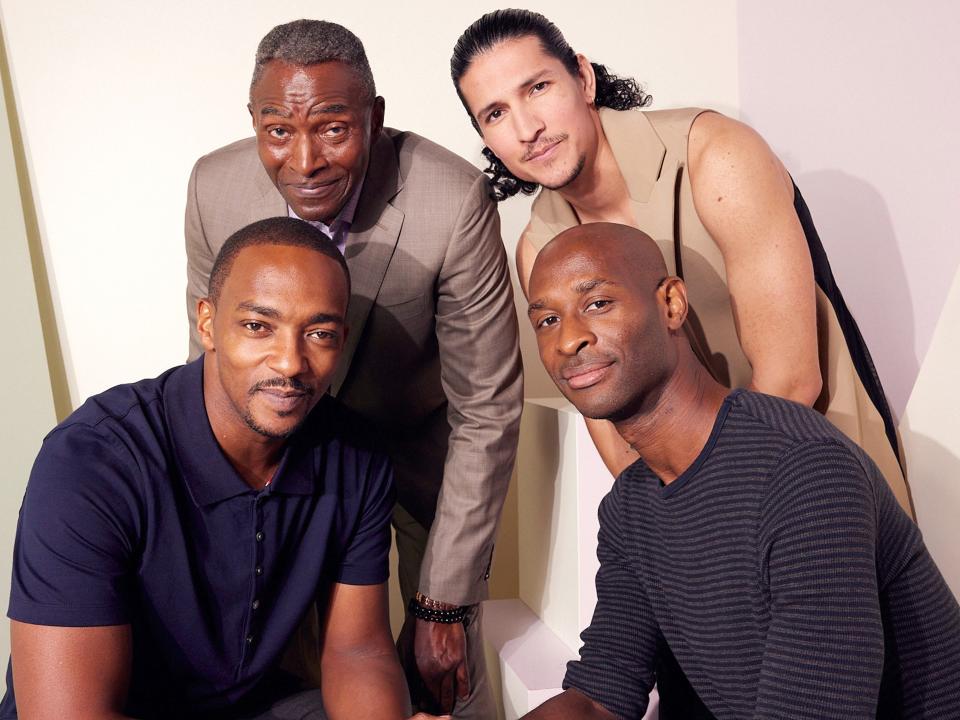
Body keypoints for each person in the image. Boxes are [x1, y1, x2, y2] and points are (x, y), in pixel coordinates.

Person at [184, 20, 522, 718]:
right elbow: (214, 362)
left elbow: (486, 403)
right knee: (280, 665)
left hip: (415, 443)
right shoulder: (214, 189)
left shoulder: (451, 200)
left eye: (333, 130)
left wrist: (442, 604)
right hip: (287, 449)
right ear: (254, 121)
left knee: (441, 668)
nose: (304, 161)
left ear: (374, 118)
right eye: (278, 131)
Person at [450, 9, 911, 520]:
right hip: (694, 509)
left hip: (821, 455)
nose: (527, 128)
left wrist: (704, 516)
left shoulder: (715, 153)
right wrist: (675, 536)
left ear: (582, 78)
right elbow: (612, 423)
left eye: (537, 88)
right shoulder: (540, 246)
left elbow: (792, 380)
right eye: (494, 114)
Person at [0, 218, 444, 719]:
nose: (290, 362)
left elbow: (356, 650)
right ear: (207, 323)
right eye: (258, 326)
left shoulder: (356, 456)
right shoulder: (91, 461)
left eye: (319, 334)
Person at [520, 222, 960, 720]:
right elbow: (599, 696)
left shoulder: (802, 471)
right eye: (547, 320)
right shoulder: (628, 509)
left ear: (671, 304)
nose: (569, 340)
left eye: (598, 303)